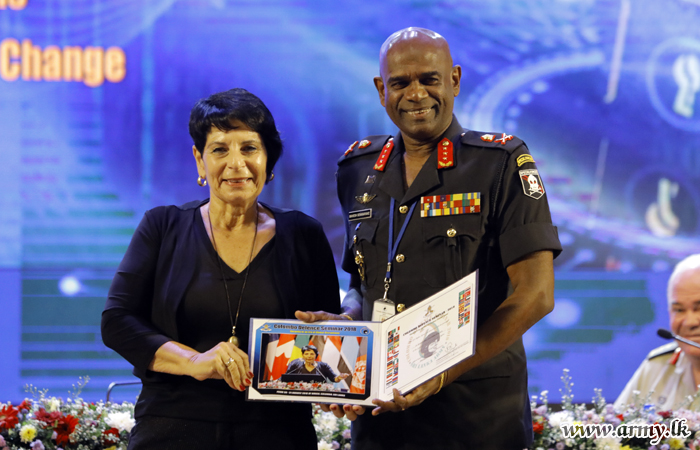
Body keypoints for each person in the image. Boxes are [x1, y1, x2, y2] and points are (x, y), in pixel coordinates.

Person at [296, 27, 562, 449]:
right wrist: (347, 322)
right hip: (382, 422)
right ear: (381, 90)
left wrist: (441, 372)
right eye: (400, 82)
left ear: (454, 80)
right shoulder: (357, 170)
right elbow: (363, 284)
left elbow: (537, 295)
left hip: (478, 420)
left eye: (429, 79)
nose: (416, 94)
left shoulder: (500, 163)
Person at [101, 88, 341, 450]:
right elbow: (117, 321)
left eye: (249, 148)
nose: (236, 163)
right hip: (171, 430)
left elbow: (329, 338)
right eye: (219, 149)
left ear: (268, 160)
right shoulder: (162, 227)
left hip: (278, 434)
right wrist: (194, 361)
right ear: (200, 160)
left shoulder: (305, 235)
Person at [615, 254, 700, 411]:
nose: (689, 322)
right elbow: (613, 424)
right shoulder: (657, 365)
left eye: (699, 308)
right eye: (679, 310)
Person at [284, 344, 350, 383]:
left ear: (316, 355)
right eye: (306, 354)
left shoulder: (323, 366)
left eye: (312, 354)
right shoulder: (295, 364)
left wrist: (339, 377)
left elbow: (333, 378)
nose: (309, 356)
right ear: (303, 355)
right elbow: (286, 378)